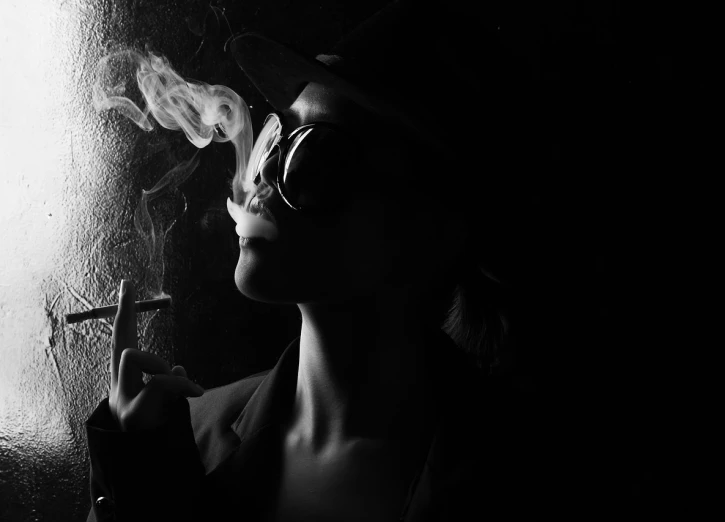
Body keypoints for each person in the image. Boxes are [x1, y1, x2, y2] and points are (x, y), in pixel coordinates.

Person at [85, 1, 543, 521]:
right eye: (276, 136)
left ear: (432, 227)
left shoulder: (528, 480)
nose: (262, 176)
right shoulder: (184, 438)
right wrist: (140, 486)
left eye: (315, 152)